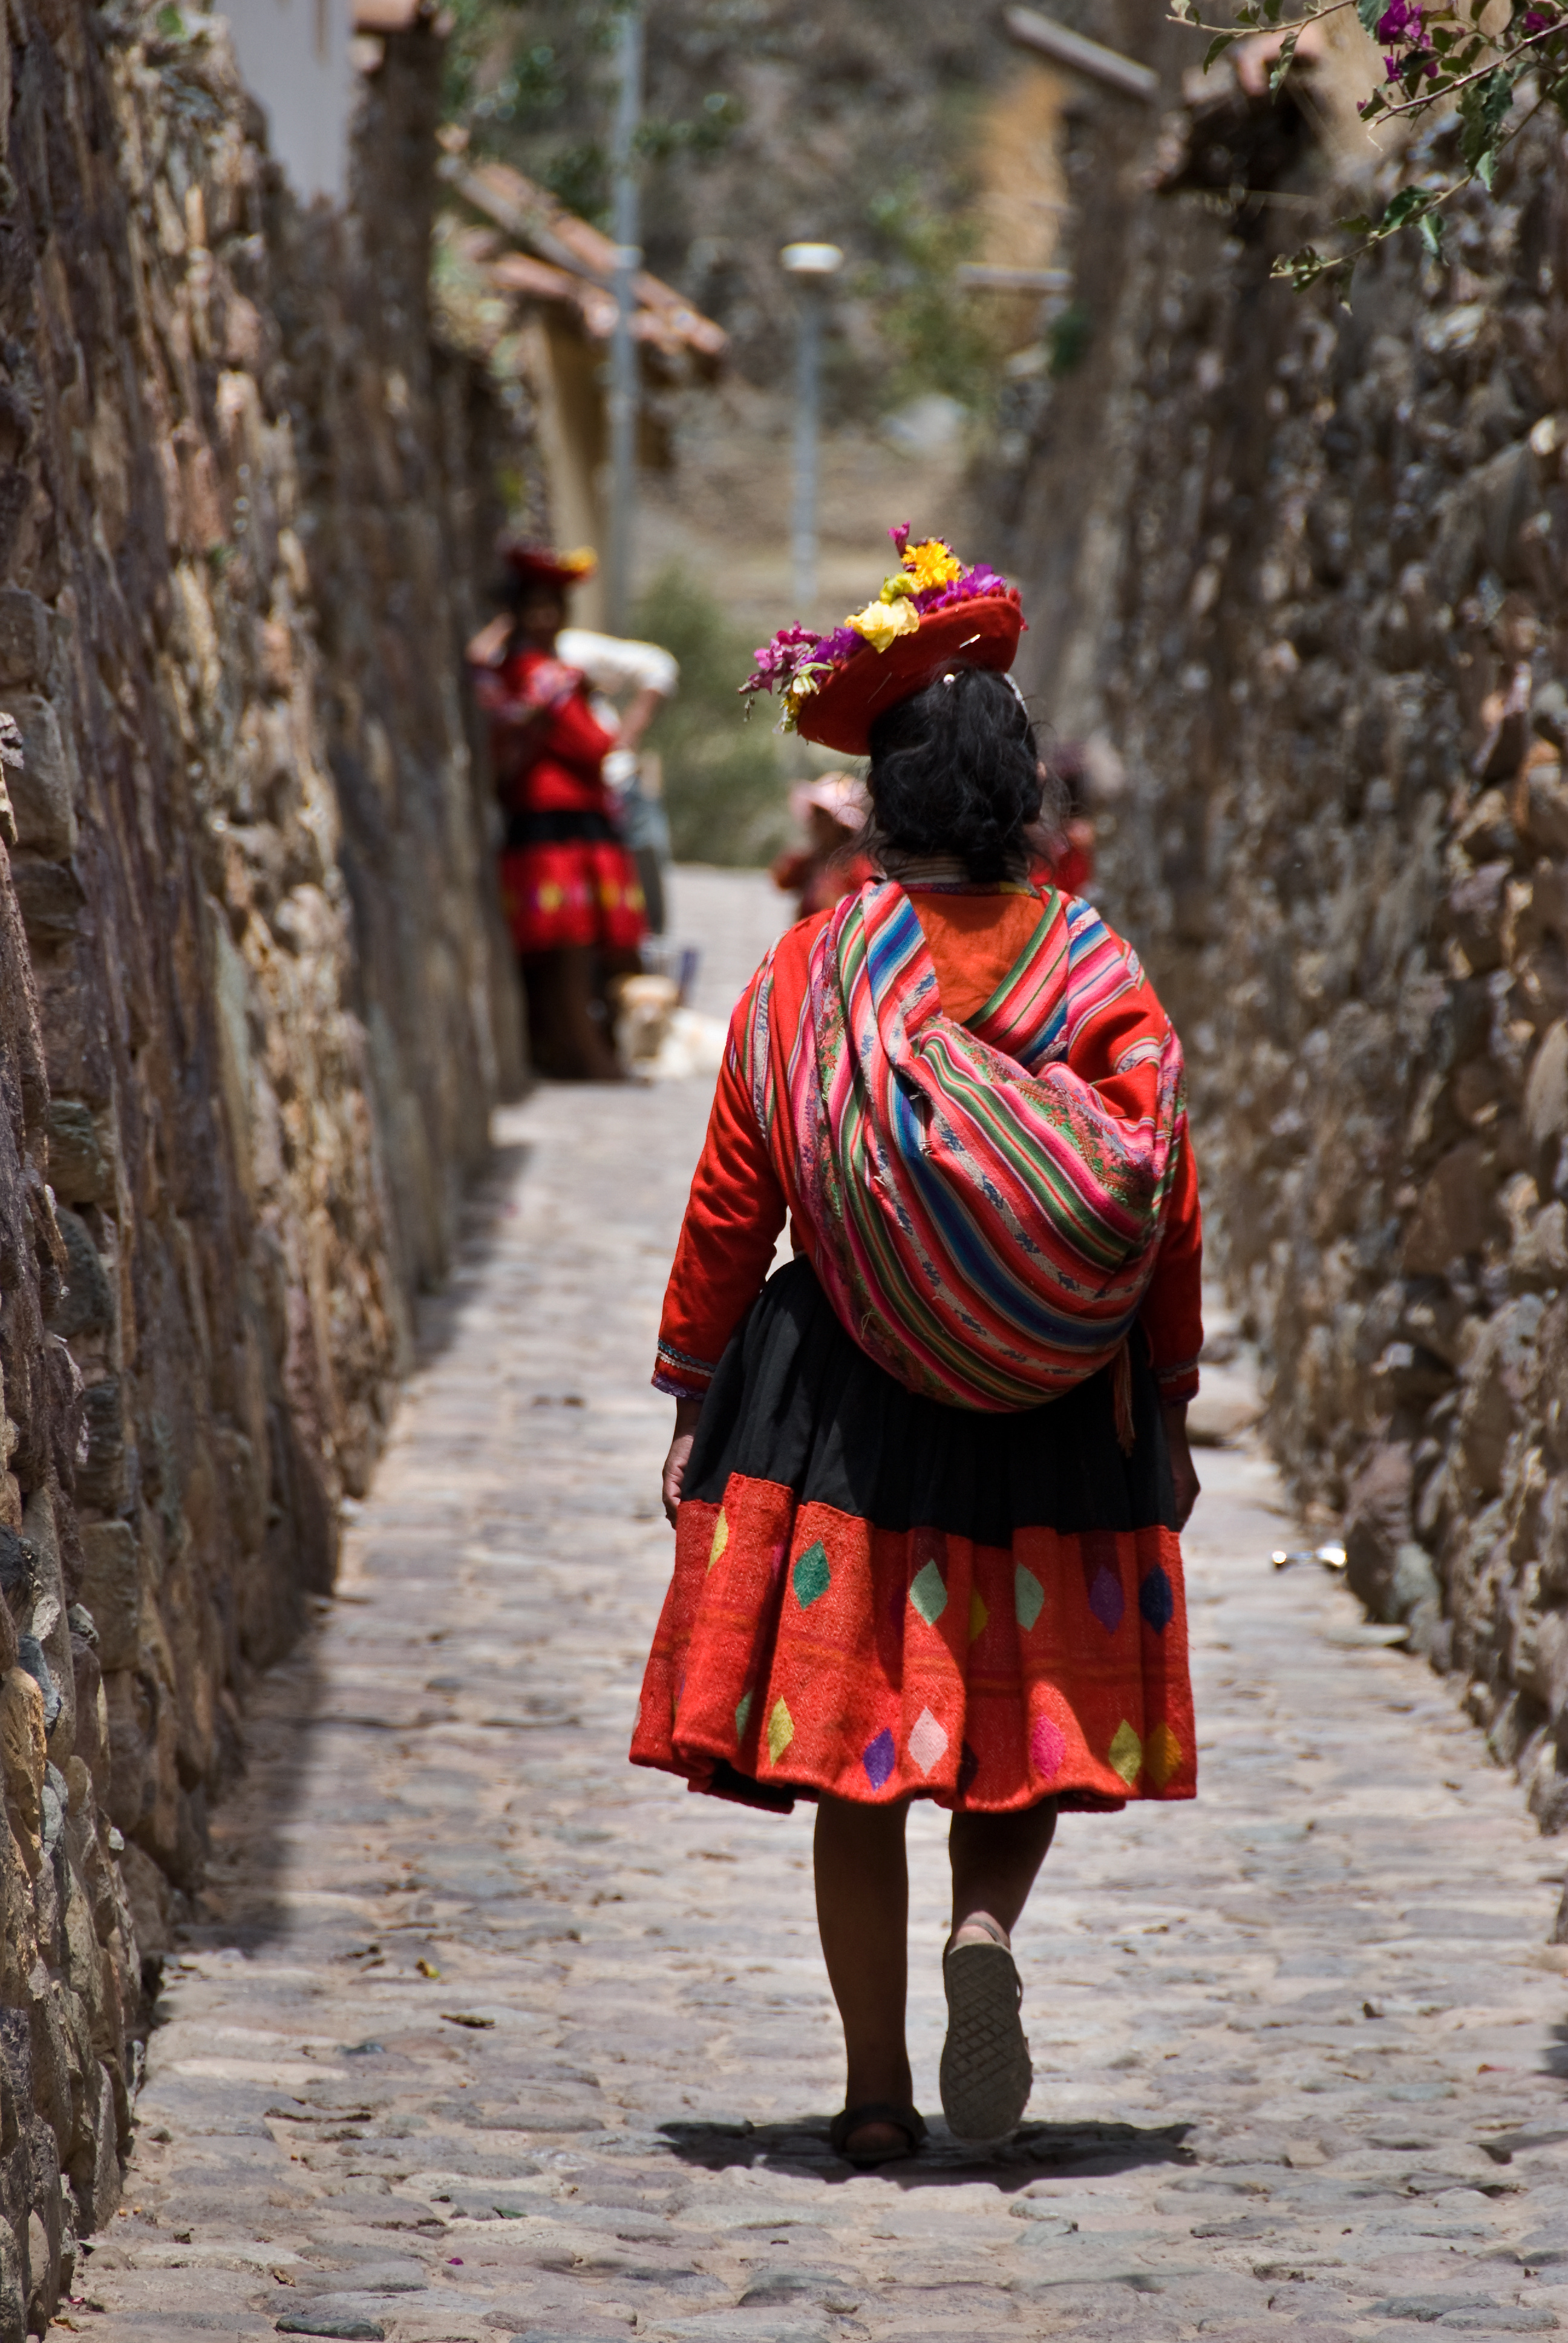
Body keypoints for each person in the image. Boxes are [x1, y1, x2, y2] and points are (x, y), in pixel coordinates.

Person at [630, 528, 1202, 2169]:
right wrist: (1160, 1398)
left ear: (883, 810)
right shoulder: (1092, 964)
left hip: (848, 1414)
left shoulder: (815, 971)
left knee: (855, 1756)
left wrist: (691, 1385)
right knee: (1014, 1720)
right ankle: (989, 1937)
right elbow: (1165, 1190)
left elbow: (734, 1193)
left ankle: (876, 2090)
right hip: (1050, 1409)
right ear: (1025, 810)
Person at [467, 543, 672, 1080]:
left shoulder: (509, 671)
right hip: (557, 826)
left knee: (567, 955)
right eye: (534, 607)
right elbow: (591, 747)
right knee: (572, 953)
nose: (544, 617)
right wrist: (603, 725)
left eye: (551, 606)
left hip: (555, 822)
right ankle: (591, 1059)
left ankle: (574, 1053)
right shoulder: (546, 676)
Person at [770, 773, 877, 919]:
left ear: (839, 825)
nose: (815, 823)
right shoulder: (810, 862)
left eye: (822, 816)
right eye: (815, 815)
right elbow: (782, 880)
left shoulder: (858, 867)